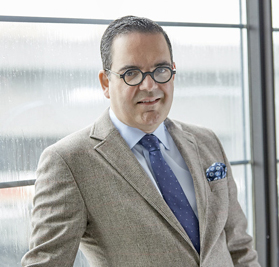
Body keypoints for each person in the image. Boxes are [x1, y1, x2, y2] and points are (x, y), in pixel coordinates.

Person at [21, 16, 260, 267]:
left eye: (161, 70)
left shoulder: (207, 141)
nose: (150, 85)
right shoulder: (69, 162)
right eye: (131, 73)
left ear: (173, 72)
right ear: (105, 83)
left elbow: (239, 248)